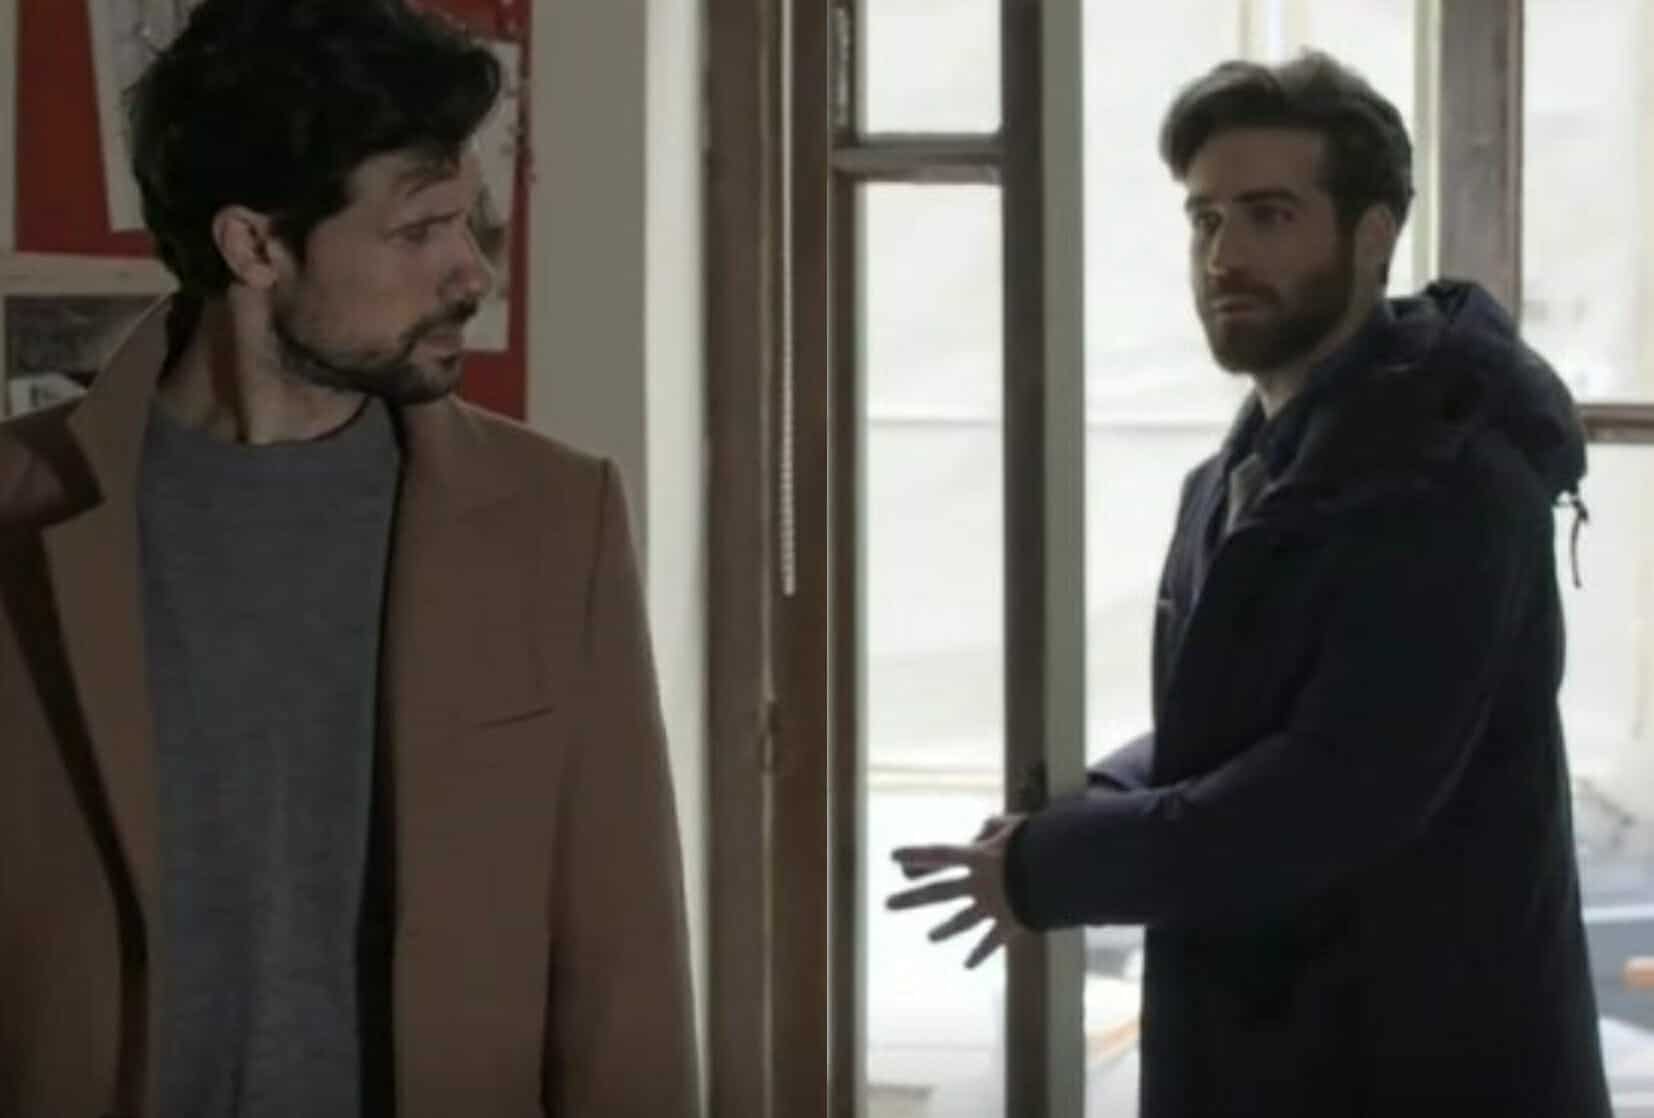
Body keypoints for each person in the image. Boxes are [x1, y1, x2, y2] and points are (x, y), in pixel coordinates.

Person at [0, 2, 698, 1115]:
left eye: (471, 223)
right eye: (419, 232)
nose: (471, 273)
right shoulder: (20, 516)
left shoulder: (554, 521)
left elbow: (626, 984)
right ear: (255, 245)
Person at [888, 50, 1612, 1115]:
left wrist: (1055, 864)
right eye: (1205, 219)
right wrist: (1101, 797)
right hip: (1275, 1045)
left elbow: (1330, 793)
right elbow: (1232, 729)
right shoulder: (1238, 474)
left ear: (1373, 236)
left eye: (1270, 216)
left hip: (1423, 1060)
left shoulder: (1450, 485)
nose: (1225, 255)